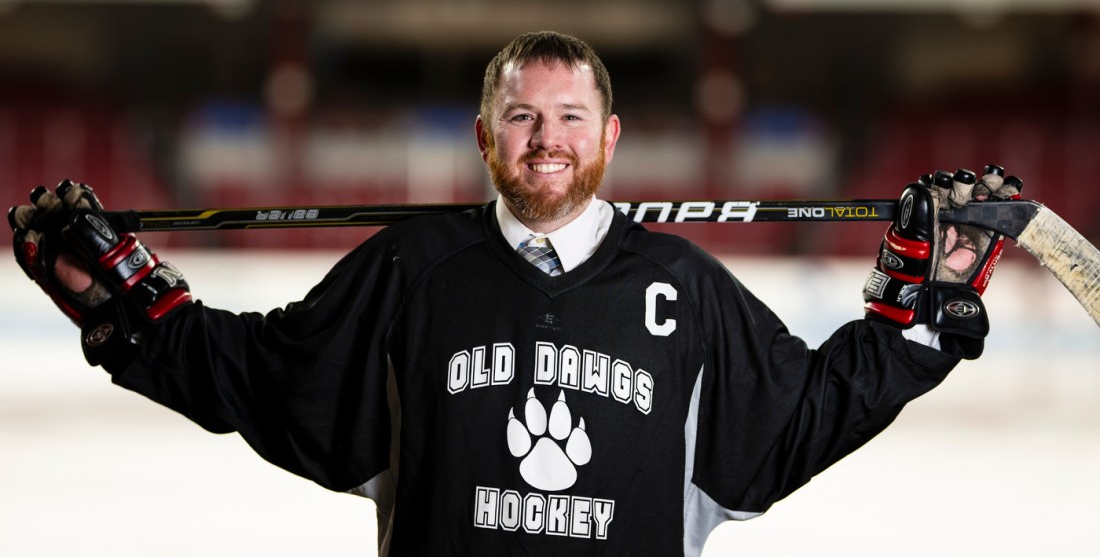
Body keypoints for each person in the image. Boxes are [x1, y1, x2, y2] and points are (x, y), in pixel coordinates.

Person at [10, 30, 1020, 556]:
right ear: (485, 135)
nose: (547, 139)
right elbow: (262, 380)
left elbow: (799, 418)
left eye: (571, 117)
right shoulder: (412, 270)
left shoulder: (683, 286)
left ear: (608, 138)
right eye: (522, 116)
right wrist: (128, 313)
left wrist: (914, 318)